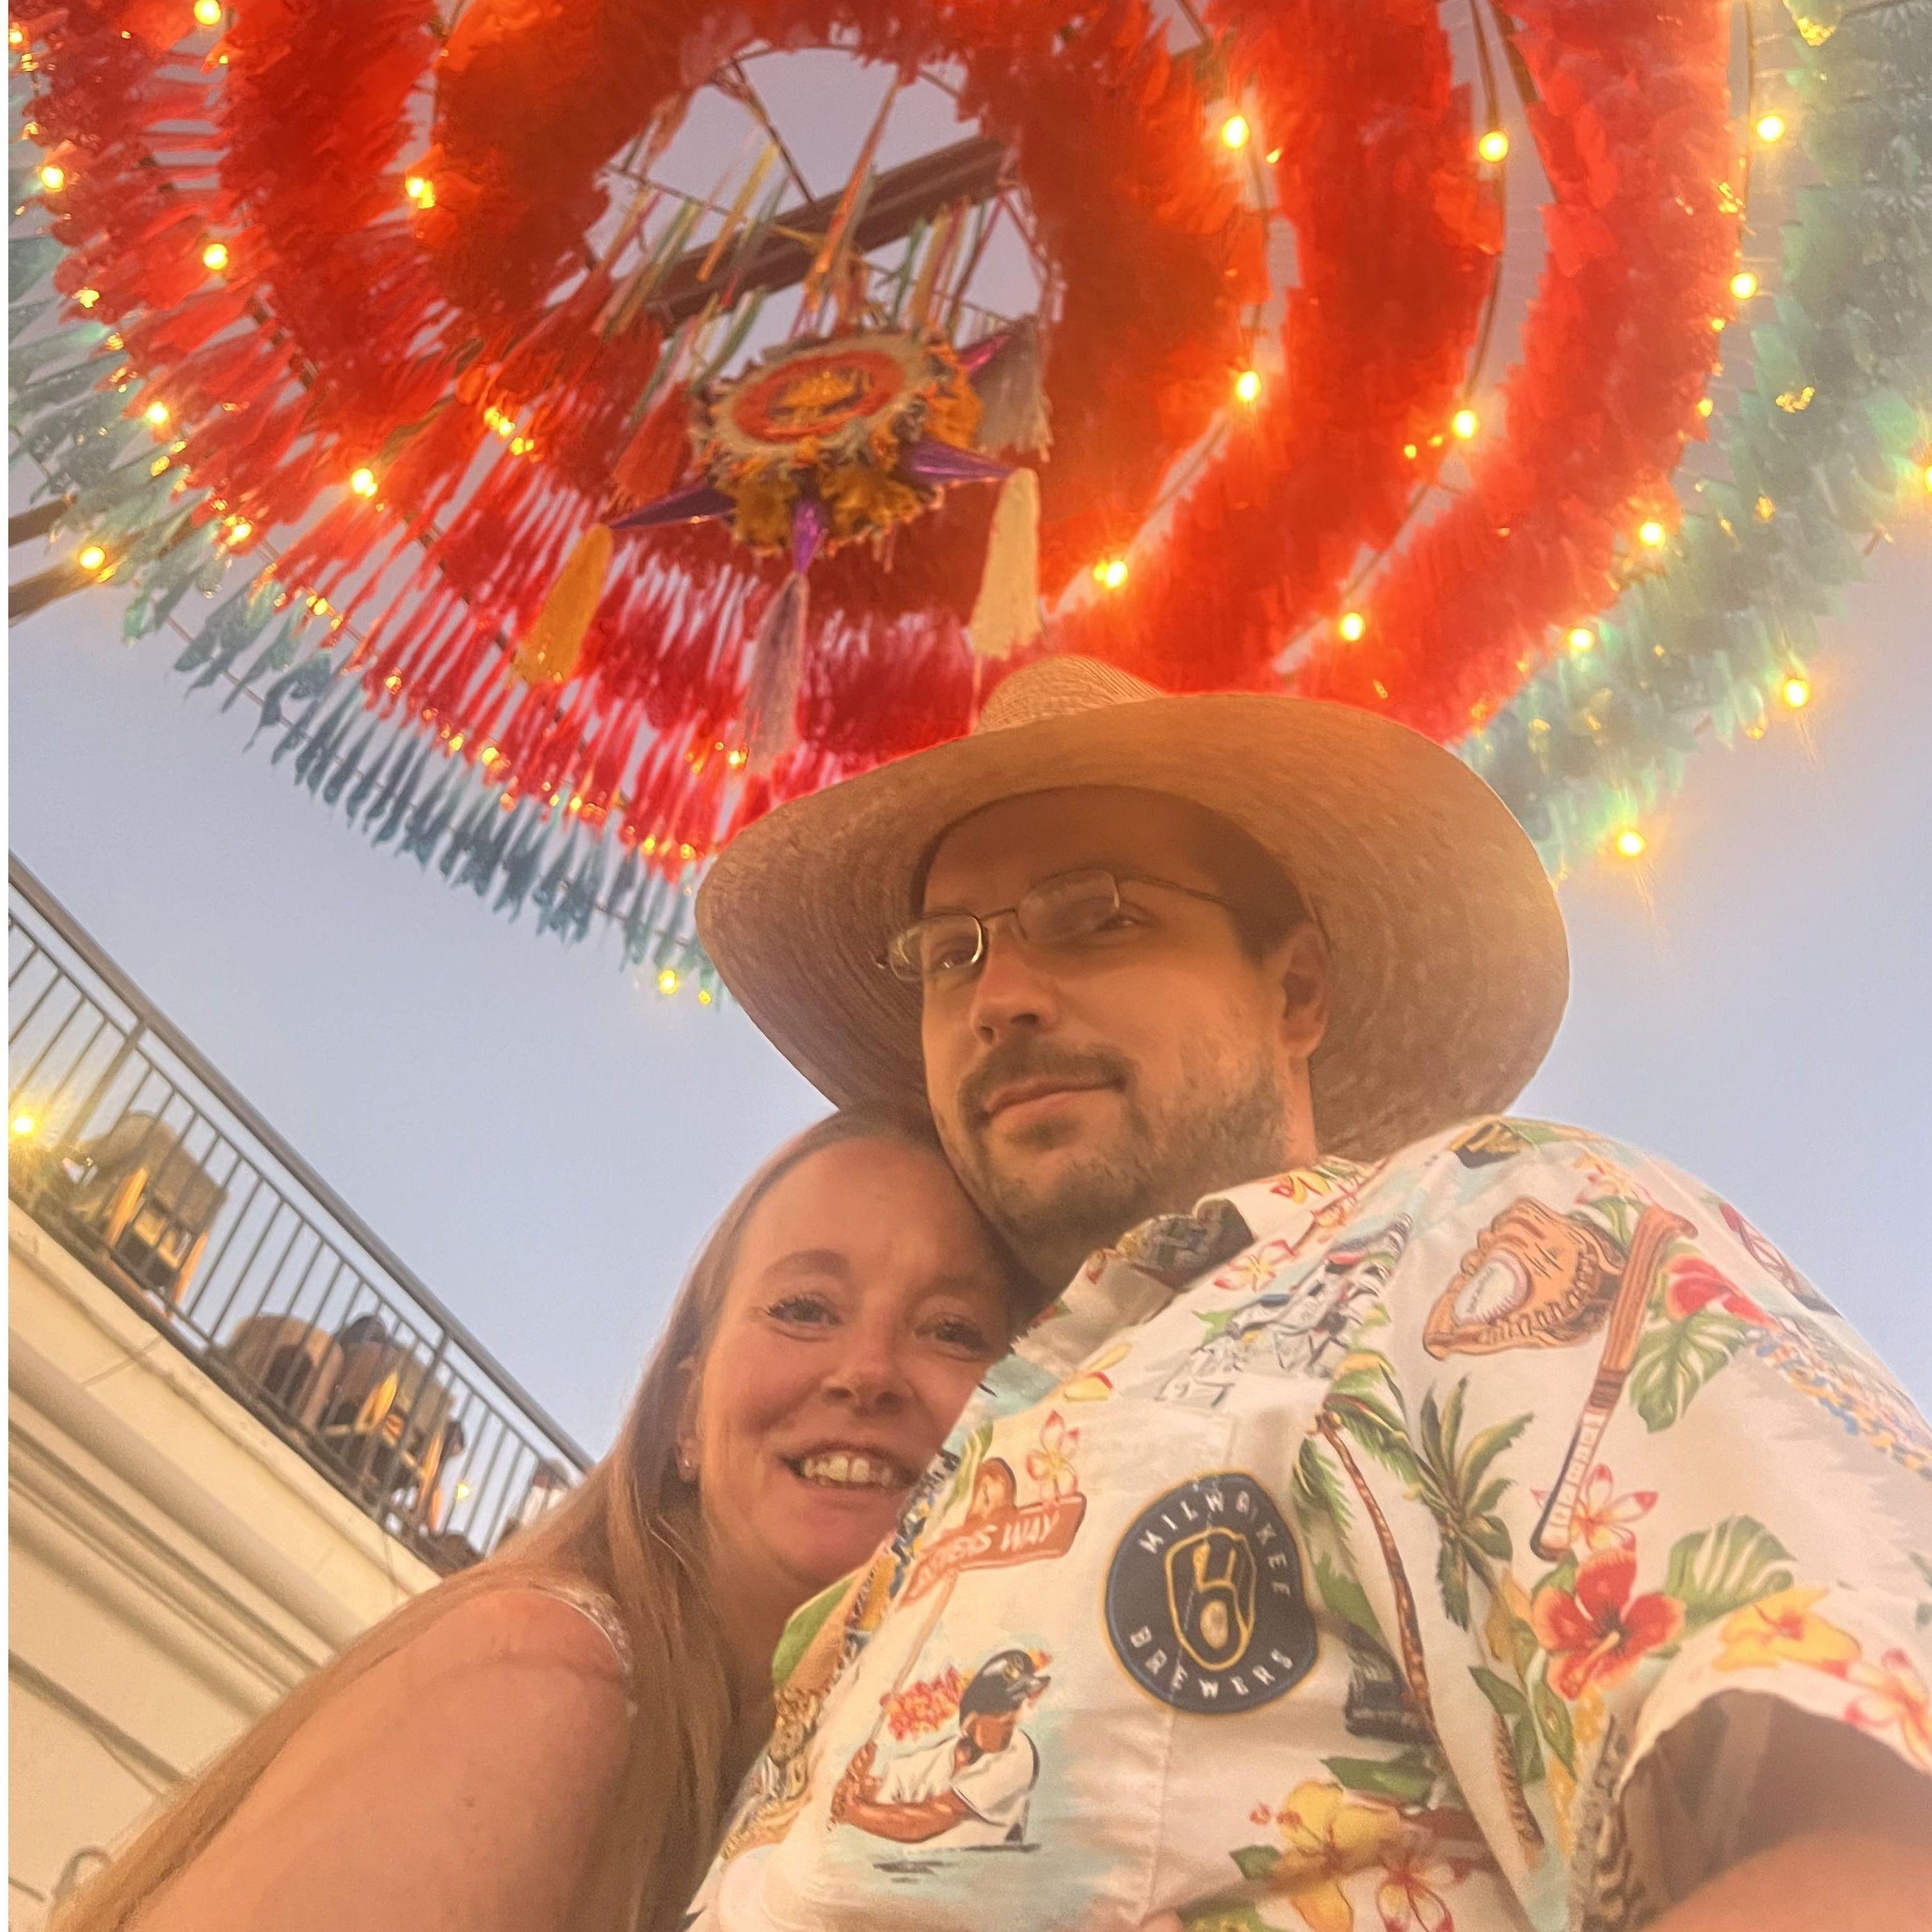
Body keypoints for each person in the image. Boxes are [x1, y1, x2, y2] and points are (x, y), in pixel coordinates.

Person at [687, 657, 1932, 1931]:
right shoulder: (960, 1459)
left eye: (1095, 916)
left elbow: (1872, 1837)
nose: (996, 999)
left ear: (1294, 991)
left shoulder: (1478, 1239)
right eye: (948, 954)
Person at [52, 1110, 1020, 1932]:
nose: (868, 1371)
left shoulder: (813, 1795)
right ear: (683, 1415)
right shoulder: (549, 1679)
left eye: (953, 1330)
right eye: (804, 1308)